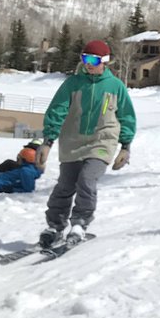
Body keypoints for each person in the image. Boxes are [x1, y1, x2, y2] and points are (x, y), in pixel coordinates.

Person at [35, 39, 136, 247]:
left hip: (102, 141)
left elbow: (127, 116)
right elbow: (57, 110)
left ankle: (80, 223)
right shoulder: (73, 84)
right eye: (84, 58)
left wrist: (125, 146)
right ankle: (55, 226)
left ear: (104, 61)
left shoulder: (115, 86)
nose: (87, 63)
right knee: (65, 185)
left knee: (87, 180)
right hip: (73, 141)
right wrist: (47, 141)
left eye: (92, 59)